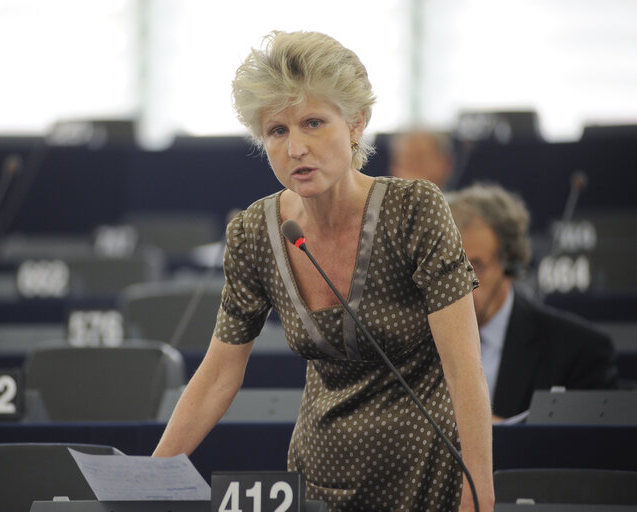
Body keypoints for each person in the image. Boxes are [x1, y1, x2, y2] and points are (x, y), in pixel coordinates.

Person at [153, 31, 494, 512]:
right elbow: (218, 374)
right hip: (317, 481)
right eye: (277, 131)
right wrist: (149, 477)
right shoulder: (254, 233)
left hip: (426, 475)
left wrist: (478, 491)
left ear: (356, 123)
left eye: (313, 123)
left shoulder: (415, 209)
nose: (295, 149)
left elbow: (464, 369)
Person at [446, 183, 619, 421]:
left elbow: (591, 452)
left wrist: (491, 432)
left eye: (476, 266)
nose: (459, 285)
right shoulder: (409, 342)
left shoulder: (580, 352)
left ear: (511, 262)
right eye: (448, 268)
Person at [388, 129, 455, 190]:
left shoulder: (461, 202)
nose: (413, 167)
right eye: (406, 160)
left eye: (420, 159)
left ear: (445, 164)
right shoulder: (384, 200)